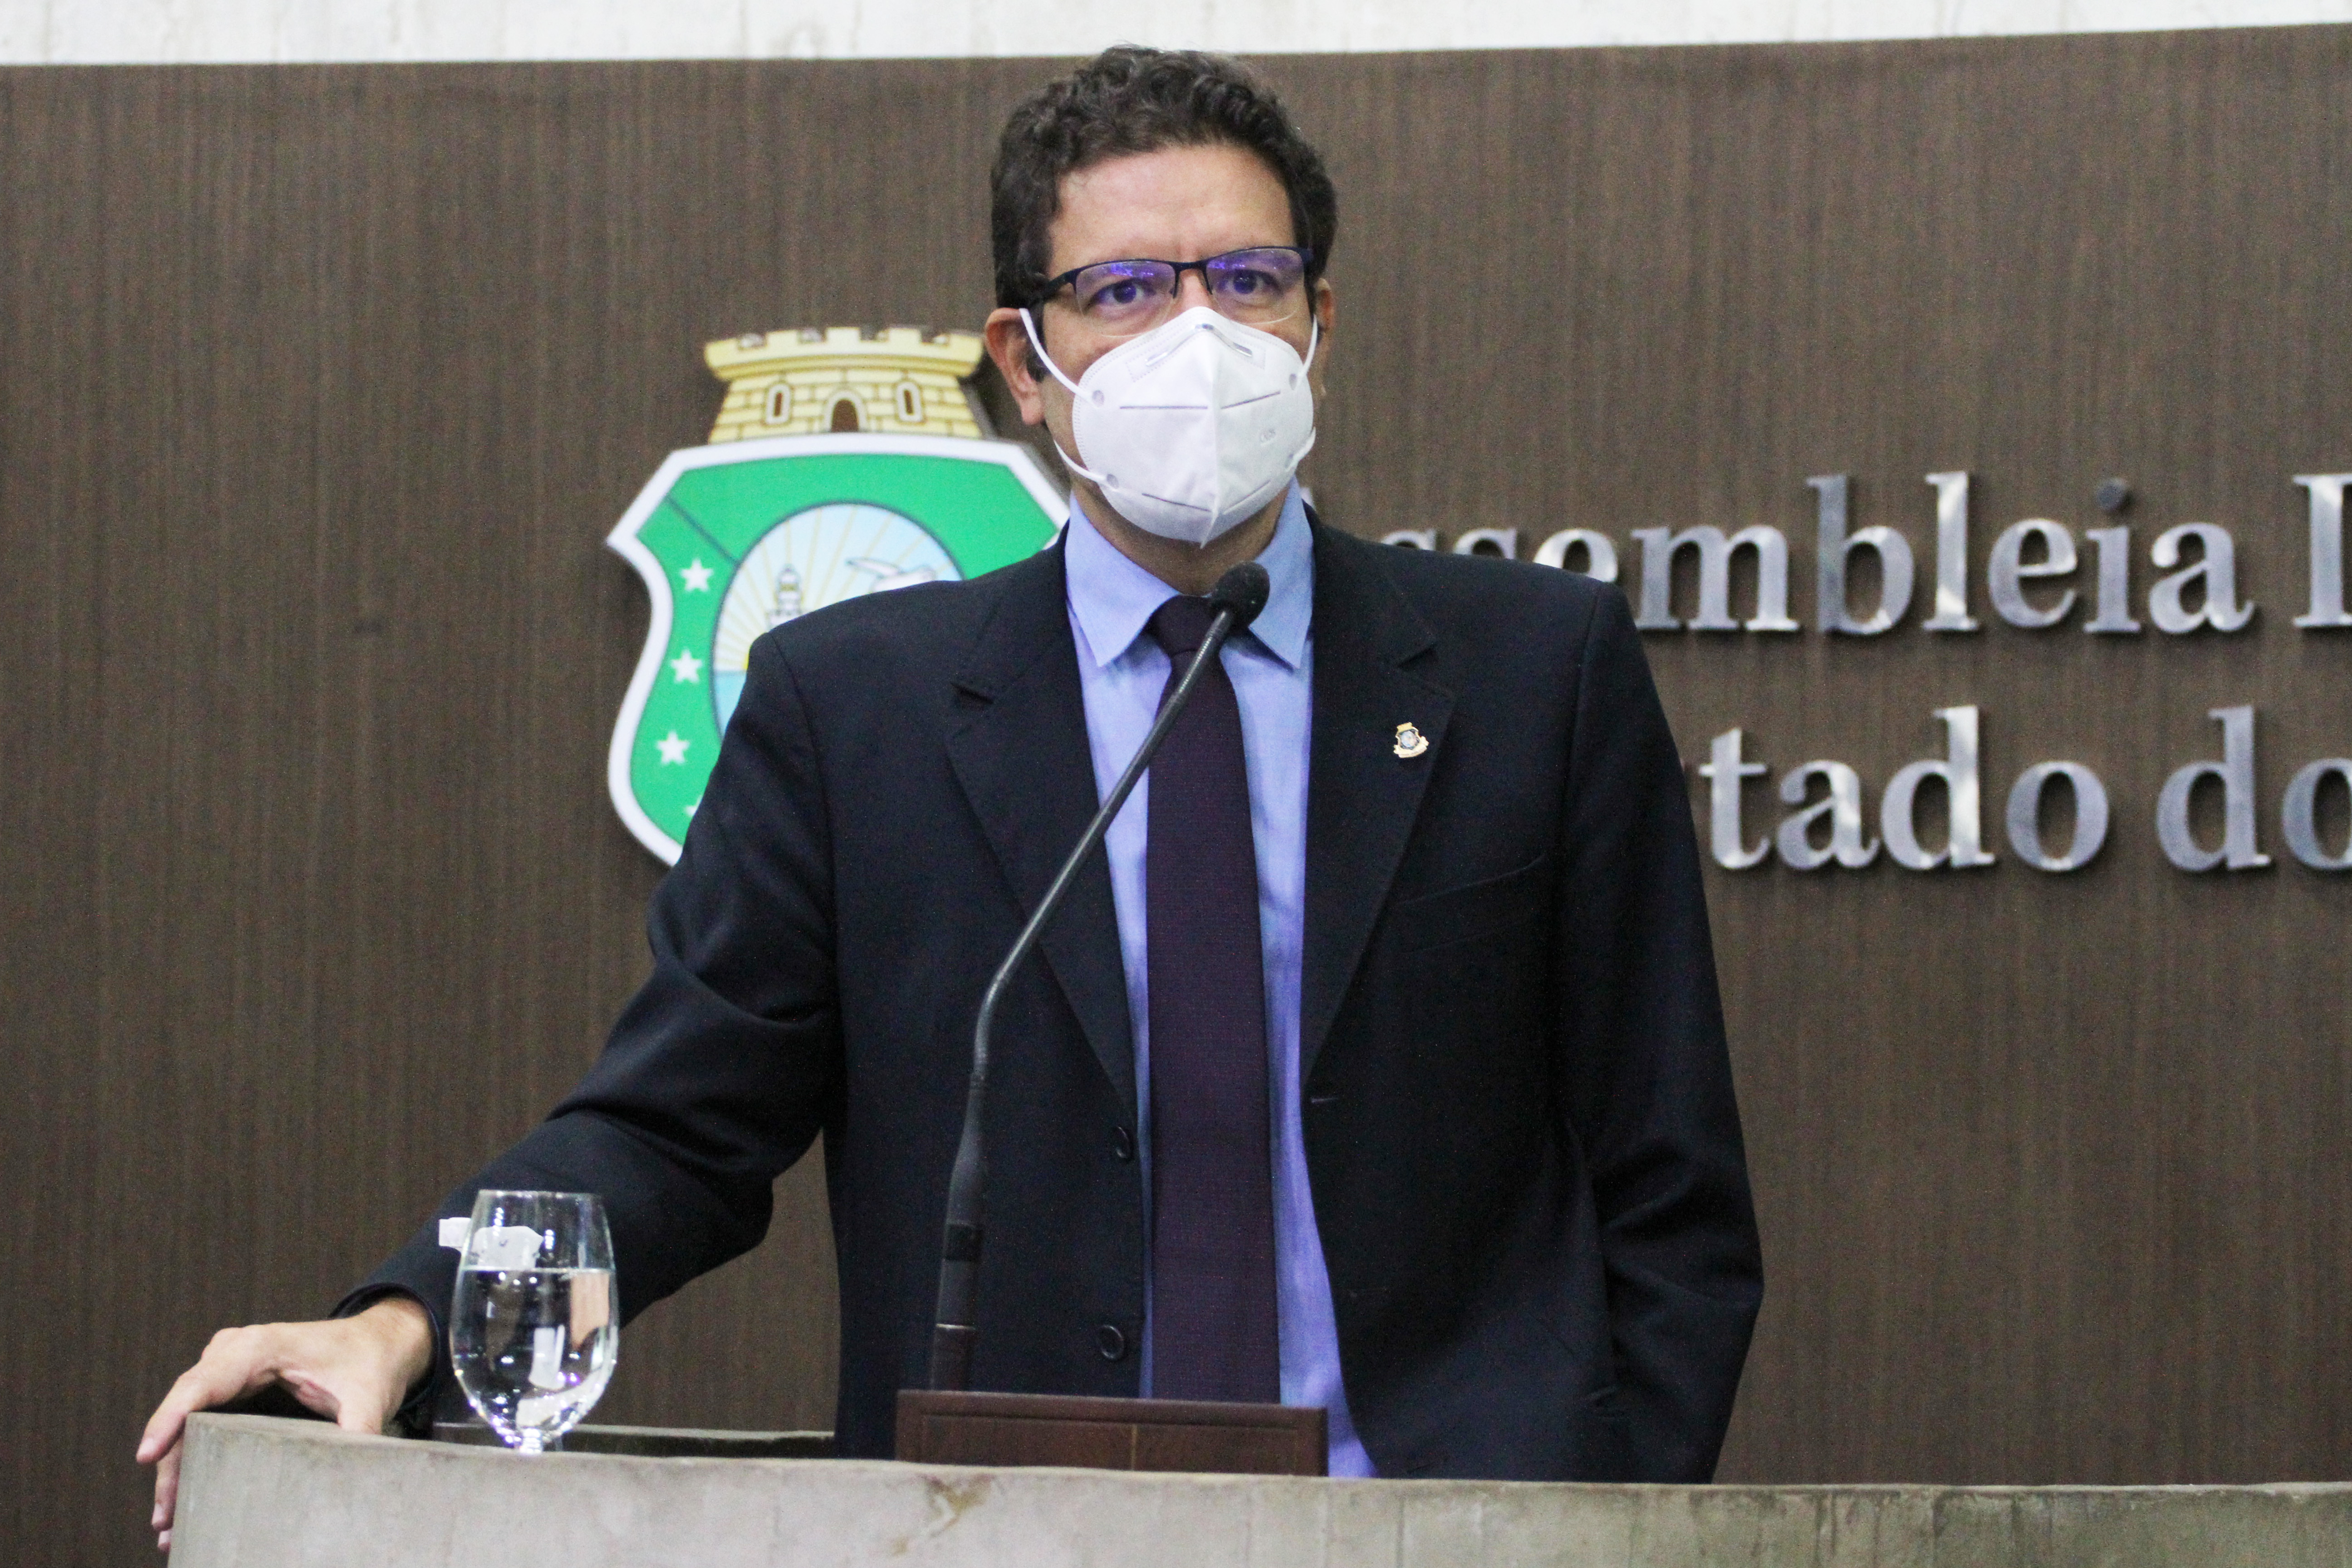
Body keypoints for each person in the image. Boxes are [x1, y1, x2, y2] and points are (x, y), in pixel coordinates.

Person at [141, 45, 1762, 1547]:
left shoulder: (1533, 671)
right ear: (1024, 364)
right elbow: (679, 1125)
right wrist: (402, 1319)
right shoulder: (858, 709)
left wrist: (1605, 1522)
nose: (1198, 333)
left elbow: (1670, 1182)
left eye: (1247, 280)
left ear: (1319, 324)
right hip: (1004, 1530)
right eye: (1125, 290)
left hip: (1446, 1533)